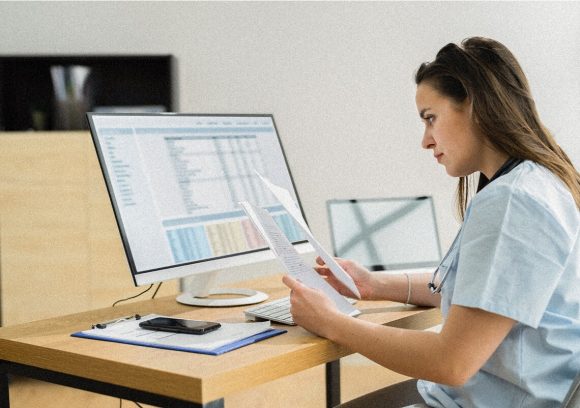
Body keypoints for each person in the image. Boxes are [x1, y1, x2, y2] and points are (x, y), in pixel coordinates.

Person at [283, 37, 580, 408]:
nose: (426, 140)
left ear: (474, 106)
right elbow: (484, 295)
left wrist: (331, 322)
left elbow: (451, 362)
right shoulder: (538, 181)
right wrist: (374, 284)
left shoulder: (512, 202)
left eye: (430, 118)